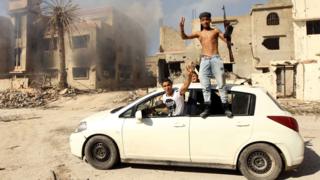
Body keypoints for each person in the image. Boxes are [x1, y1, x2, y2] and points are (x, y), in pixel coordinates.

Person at [180, 12, 233, 118]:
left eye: (207, 19)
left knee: (221, 84)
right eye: (203, 20)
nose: (205, 21)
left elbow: (226, 40)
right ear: (201, 21)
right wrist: (181, 28)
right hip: (204, 59)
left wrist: (228, 31)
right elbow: (184, 37)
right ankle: (207, 108)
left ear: (210, 20)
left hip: (215, 58)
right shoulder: (199, 33)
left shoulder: (216, 31)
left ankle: (226, 108)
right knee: (205, 85)